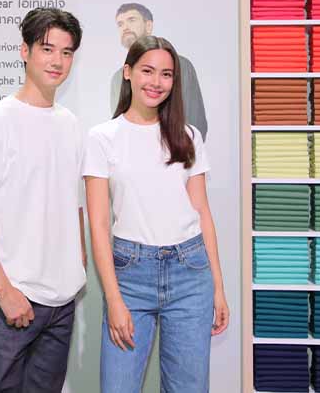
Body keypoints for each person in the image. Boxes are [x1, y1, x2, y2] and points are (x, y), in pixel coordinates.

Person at [0, 7, 87, 393]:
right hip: (7, 301)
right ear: (25, 51)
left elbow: (73, 202)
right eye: (47, 49)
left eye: (66, 52)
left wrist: (78, 263)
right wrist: (5, 291)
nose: (57, 60)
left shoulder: (71, 124)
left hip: (60, 301)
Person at [84, 35, 229, 393]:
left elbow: (202, 212)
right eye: (147, 71)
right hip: (130, 276)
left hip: (190, 272)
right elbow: (99, 226)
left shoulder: (188, 136)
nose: (156, 82)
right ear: (128, 72)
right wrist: (114, 299)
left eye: (166, 74)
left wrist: (218, 288)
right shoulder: (102, 138)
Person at [109, 3, 208, 139]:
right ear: (128, 72)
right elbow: (120, 127)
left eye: (131, 20)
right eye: (120, 24)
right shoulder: (117, 78)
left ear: (148, 25)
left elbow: (196, 125)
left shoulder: (181, 65)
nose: (125, 27)